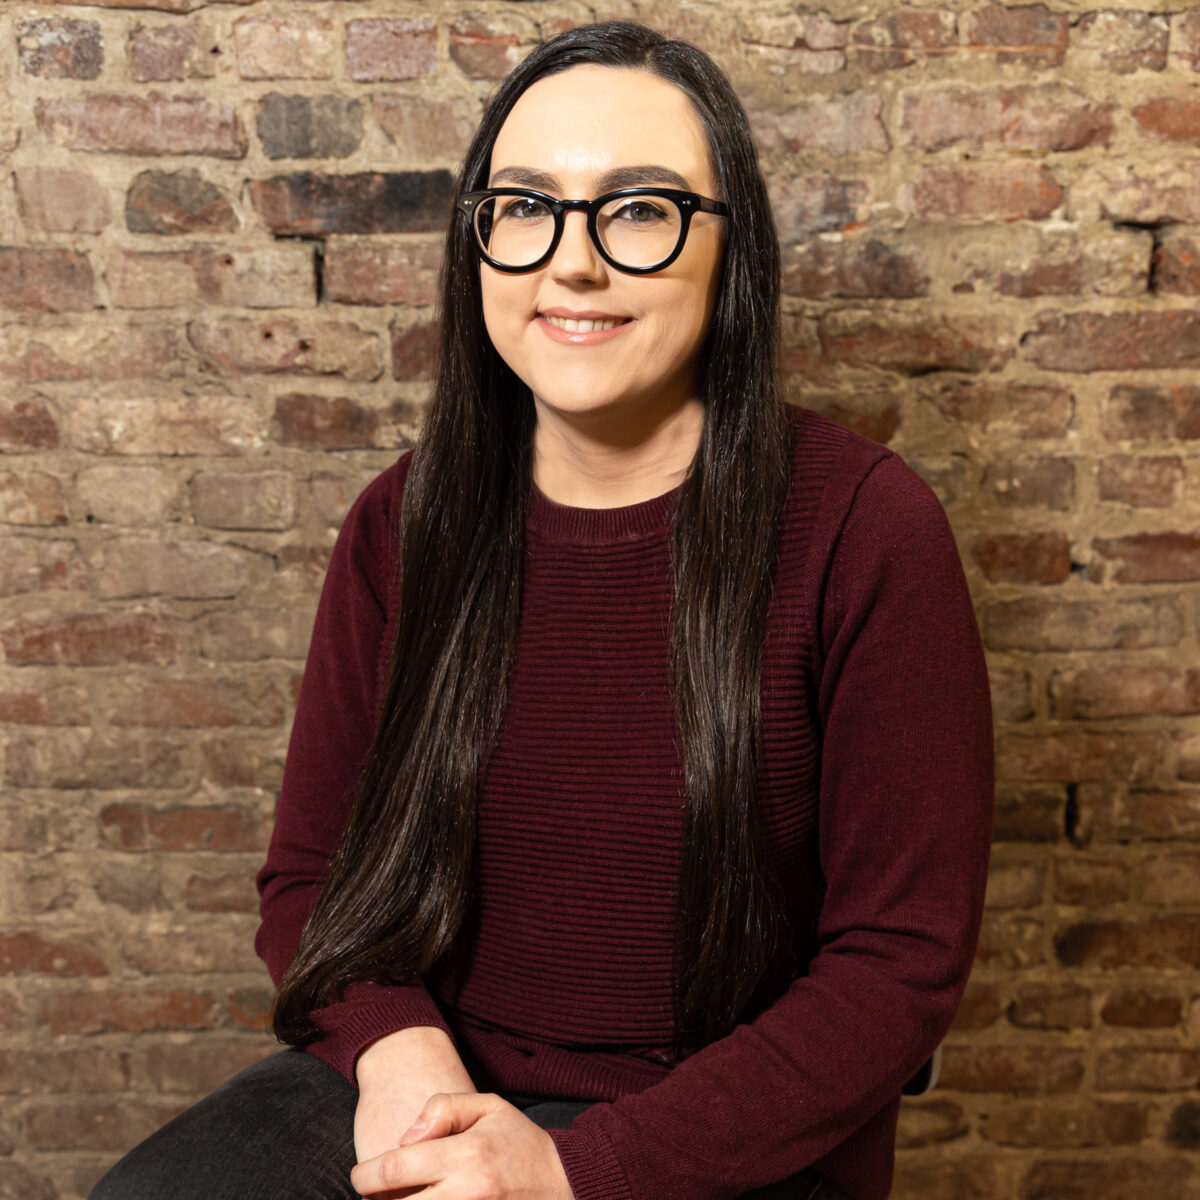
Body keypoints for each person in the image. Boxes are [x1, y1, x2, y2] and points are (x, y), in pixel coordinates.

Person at [90, 20, 993, 1200]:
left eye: (637, 210)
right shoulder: (405, 520)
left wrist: (574, 1171)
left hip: (710, 1127)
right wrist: (401, 1061)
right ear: (479, 245)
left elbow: (898, 967)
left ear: (734, 249)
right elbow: (310, 877)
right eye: (525, 207)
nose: (572, 263)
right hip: (434, 1081)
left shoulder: (866, 532)